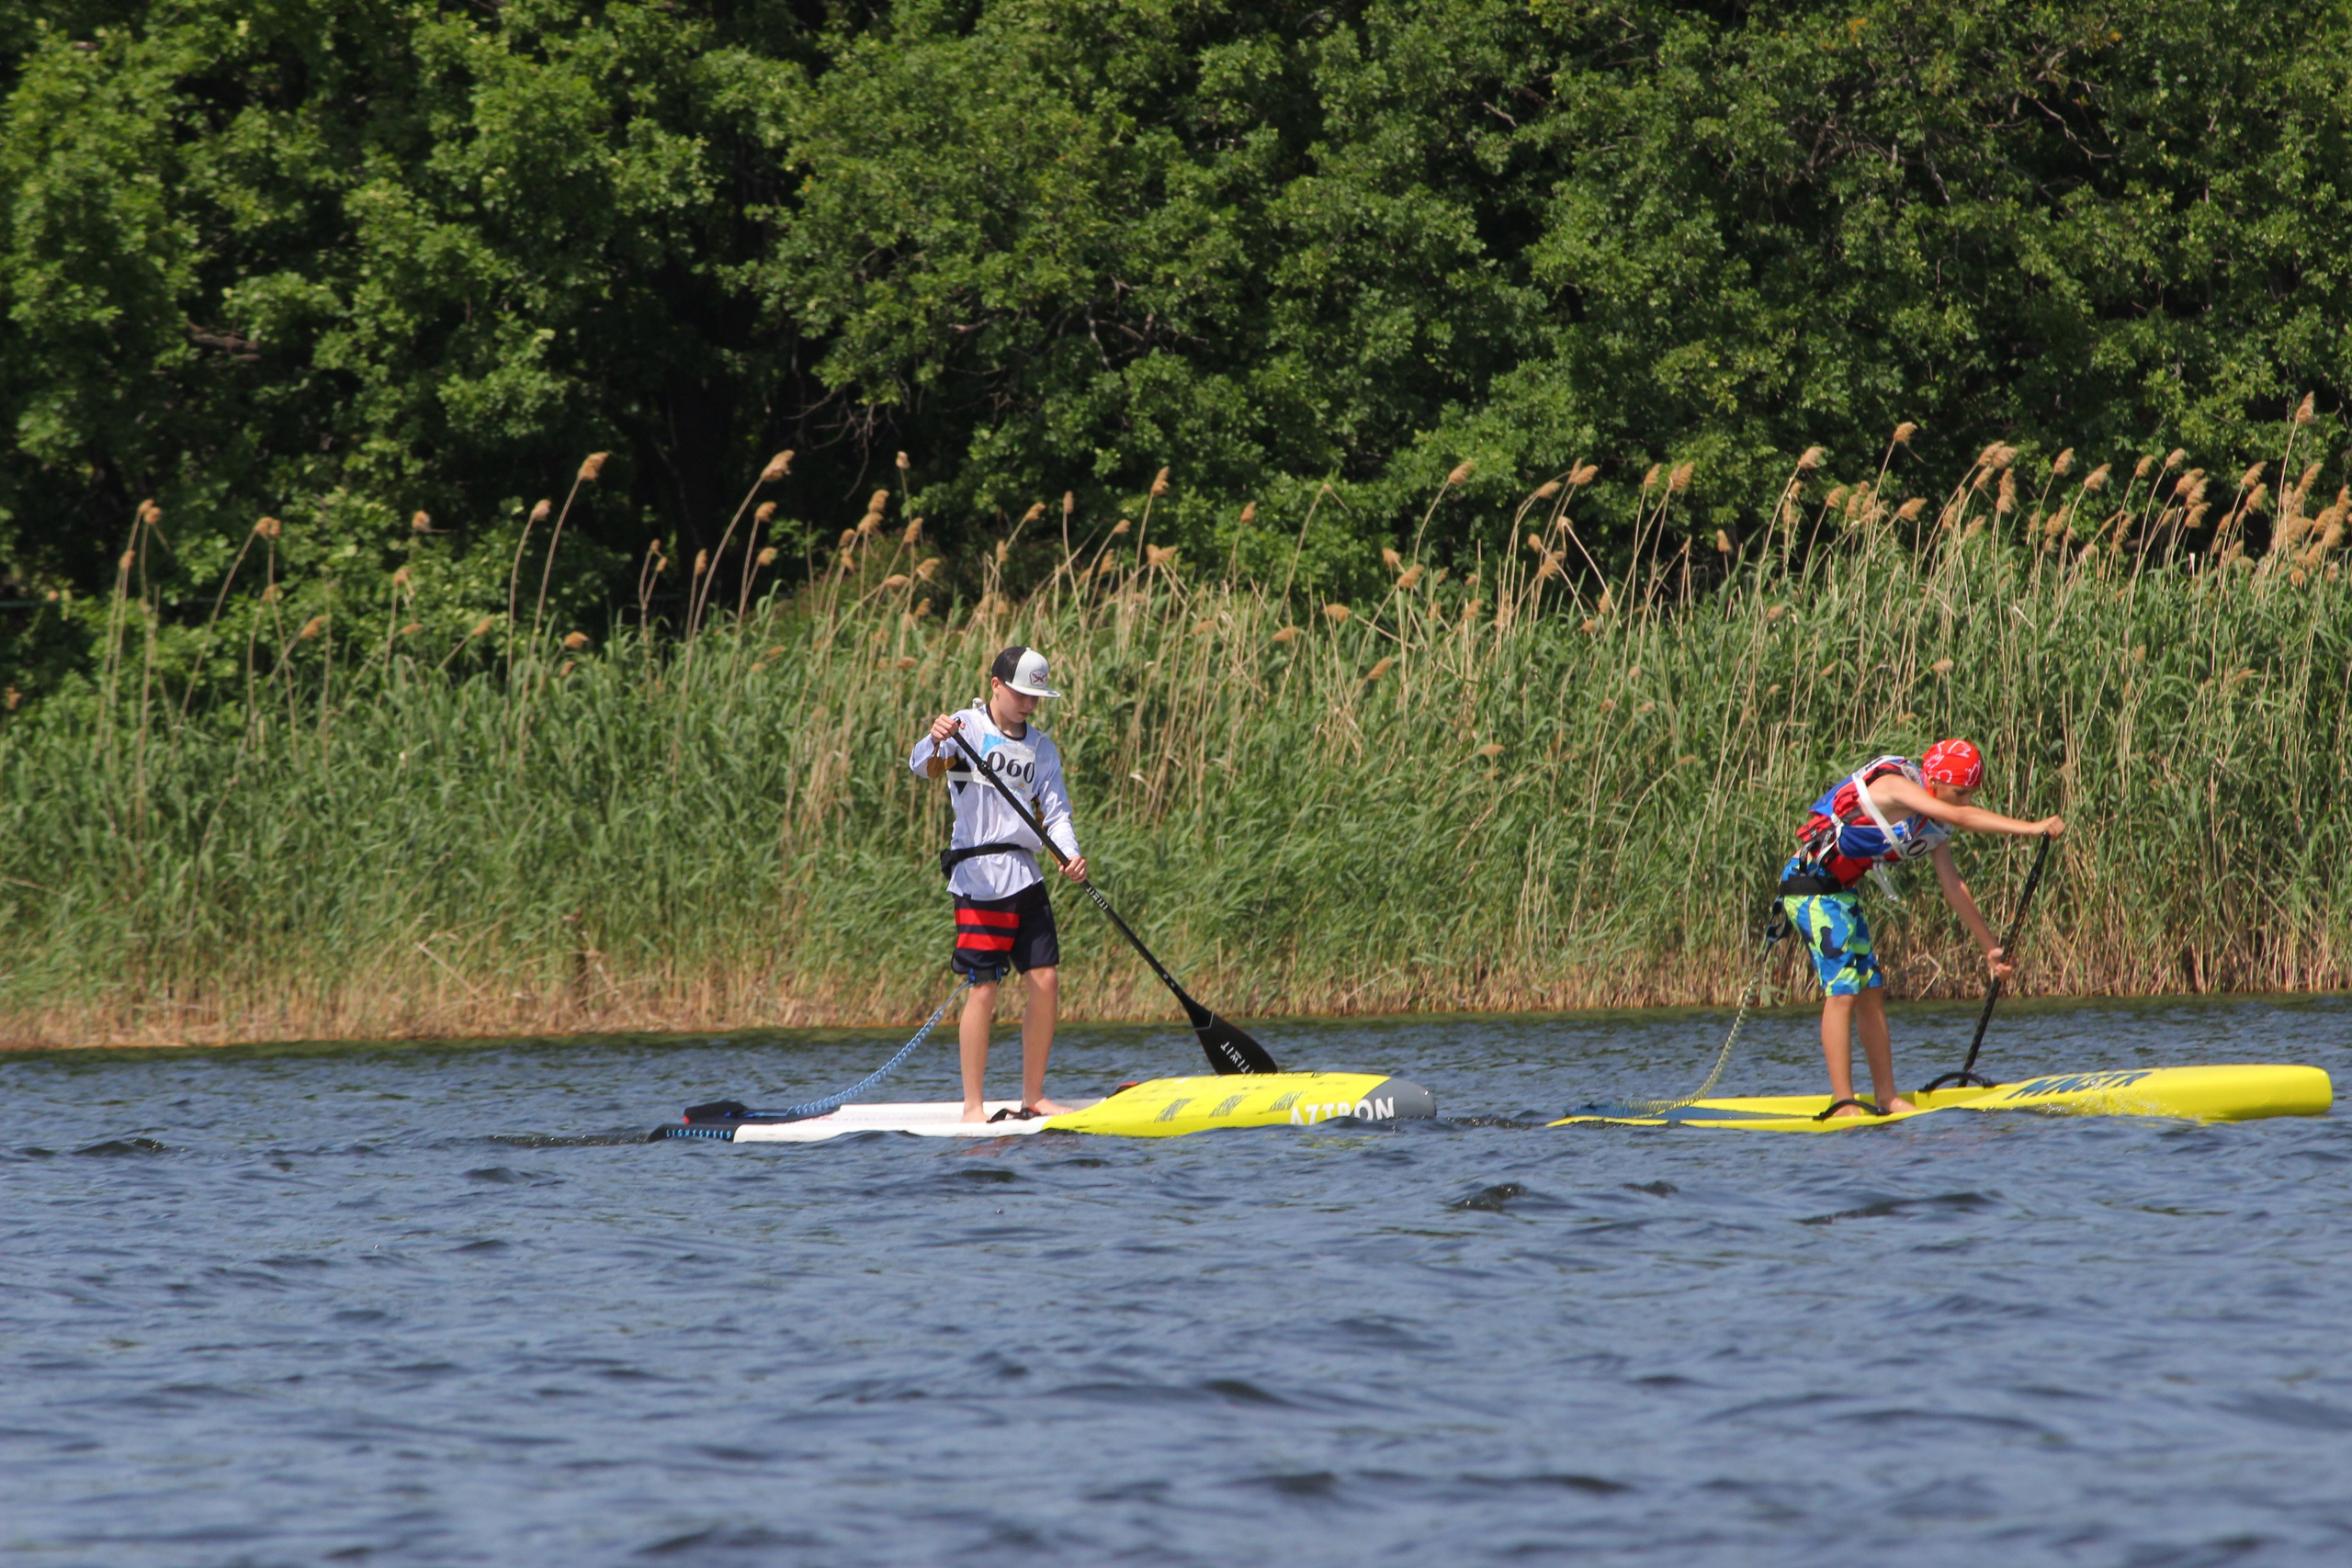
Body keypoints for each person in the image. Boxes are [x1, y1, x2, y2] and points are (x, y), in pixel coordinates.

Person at [1778, 739, 2064, 1118]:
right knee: (1843, 989)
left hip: (1842, 894)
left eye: (1970, 796)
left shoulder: (1932, 822)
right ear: (1935, 779)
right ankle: (1843, 1102)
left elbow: (1953, 885)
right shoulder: (1896, 784)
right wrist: (2032, 828)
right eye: (1959, 793)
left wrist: (1989, 947)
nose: (1962, 803)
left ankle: (1886, 1097)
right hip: (1809, 889)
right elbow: (1962, 819)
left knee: (1871, 989)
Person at [911, 645, 1089, 1122]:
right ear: (995, 685)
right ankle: (973, 1108)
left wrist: (1070, 855)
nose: (1029, 704)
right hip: (978, 879)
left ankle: (1034, 1097)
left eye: (1036, 696)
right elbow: (923, 765)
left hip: (1025, 875)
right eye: (1020, 694)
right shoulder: (965, 727)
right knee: (984, 988)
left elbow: (1056, 814)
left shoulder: (1042, 748)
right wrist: (935, 739)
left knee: (1046, 980)